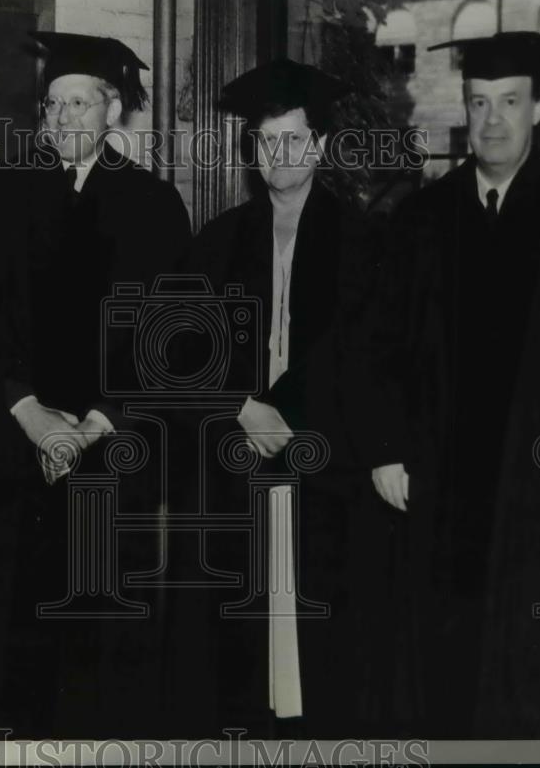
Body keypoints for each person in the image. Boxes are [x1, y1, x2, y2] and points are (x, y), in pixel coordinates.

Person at [349, 31, 540, 737]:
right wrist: (384, 447)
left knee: (533, 686)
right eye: (478, 101)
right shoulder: (423, 218)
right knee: (441, 683)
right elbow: (375, 344)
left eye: (509, 102)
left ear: (539, 105)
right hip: (440, 493)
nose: (491, 120)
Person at [0, 31, 192, 738]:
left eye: (78, 103)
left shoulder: (154, 204)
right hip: (15, 454)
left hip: (110, 456)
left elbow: (172, 337)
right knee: (10, 643)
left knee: (100, 645)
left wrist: (95, 422)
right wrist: (28, 412)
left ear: (112, 110)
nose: (61, 119)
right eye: (52, 104)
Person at [175, 59, 387, 738]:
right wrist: (240, 405)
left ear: (320, 146)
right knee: (239, 635)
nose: (279, 157)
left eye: (293, 141)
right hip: (237, 460)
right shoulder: (218, 241)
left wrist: (289, 416)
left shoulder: (366, 244)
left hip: (327, 466)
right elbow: (177, 350)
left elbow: (370, 359)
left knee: (324, 640)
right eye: (265, 143)